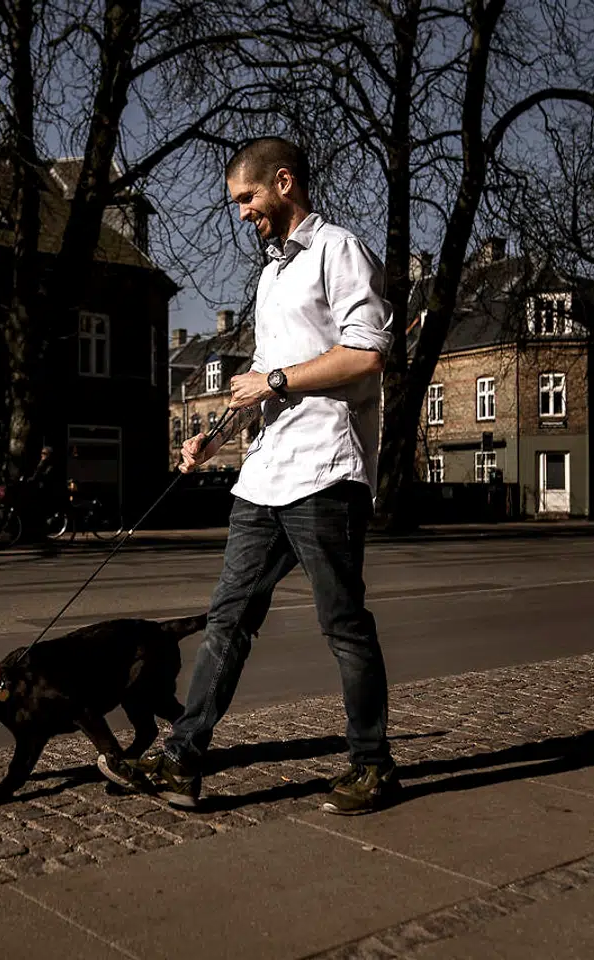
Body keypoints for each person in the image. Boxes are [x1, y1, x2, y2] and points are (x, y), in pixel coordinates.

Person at [98, 136, 397, 815]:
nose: (240, 212)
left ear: (283, 183)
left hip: (325, 471)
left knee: (343, 625)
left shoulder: (337, 251)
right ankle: (181, 762)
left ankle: (374, 765)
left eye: (247, 198)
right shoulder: (271, 275)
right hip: (264, 477)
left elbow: (367, 355)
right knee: (228, 618)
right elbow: (263, 388)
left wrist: (278, 378)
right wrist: (218, 434)